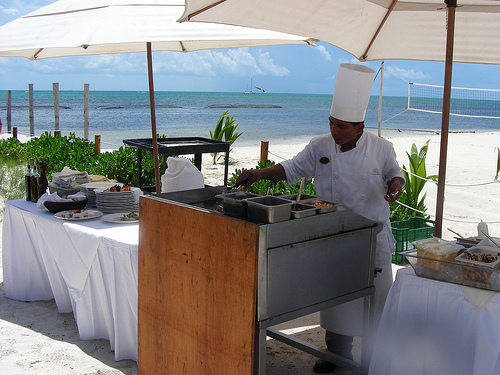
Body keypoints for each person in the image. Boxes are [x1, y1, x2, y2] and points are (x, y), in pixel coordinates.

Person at [235, 63, 405, 374]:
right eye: (331, 123)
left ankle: (374, 360)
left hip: (372, 237)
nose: (334, 131)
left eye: (341, 126)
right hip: (333, 233)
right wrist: (260, 172)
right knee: (335, 298)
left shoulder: (381, 148)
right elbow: (290, 169)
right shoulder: (320, 145)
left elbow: (397, 175)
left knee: (375, 304)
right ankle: (335, 354)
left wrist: (395, 185)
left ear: (359, 127)